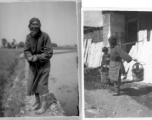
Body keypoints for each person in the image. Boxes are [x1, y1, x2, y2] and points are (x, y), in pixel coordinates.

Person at [24, 18, 53, 114]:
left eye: (37, 24)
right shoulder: (28, 37)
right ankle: (37, 102)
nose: (35, 26)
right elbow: (26, 50)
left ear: (40, 26)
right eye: (33, 24)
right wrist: (29, 57)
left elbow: (49, 52)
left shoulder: (45, 36)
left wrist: (37, 57)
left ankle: (44, 106)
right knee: (34, 83)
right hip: (33, 65)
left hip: (44, 64)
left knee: (42, 85)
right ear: (30, 26)